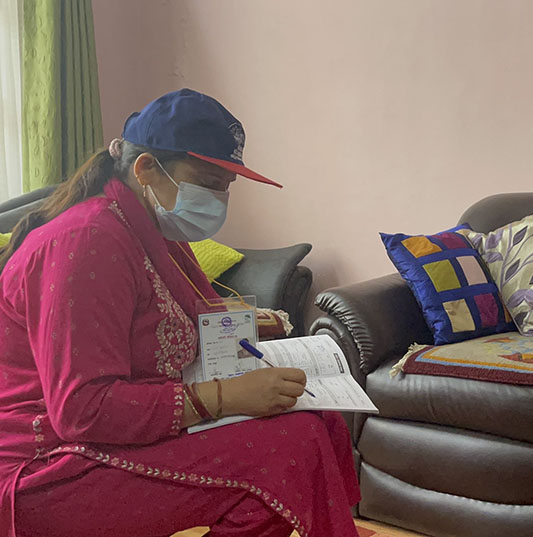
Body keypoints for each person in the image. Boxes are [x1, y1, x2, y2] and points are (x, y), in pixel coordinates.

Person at [0, 89, 360, 537]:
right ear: (146, 169)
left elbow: (201, 323)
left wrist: (255, 350)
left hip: (115, 433)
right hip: (46, 463)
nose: (218, 199)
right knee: (291, 446)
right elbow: (82, 410)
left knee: (319, 419)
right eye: (207, 182)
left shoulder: (156, 231)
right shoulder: (89, 241)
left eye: (225, 187)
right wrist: (227, 398)